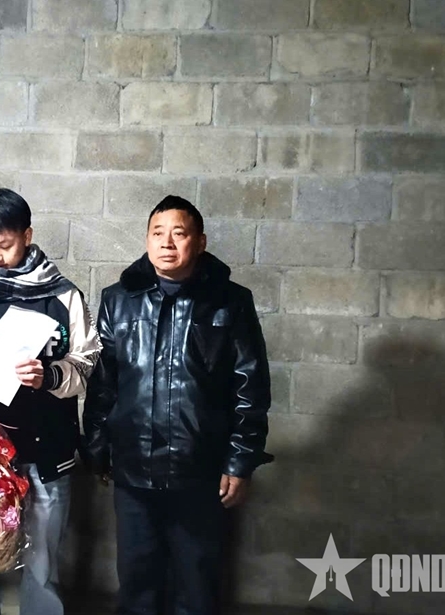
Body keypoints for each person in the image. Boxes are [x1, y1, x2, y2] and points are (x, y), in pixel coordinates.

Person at [83, 195, 273, 615]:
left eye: (179, 233)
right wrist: (96, 446)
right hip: (133, 469)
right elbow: (103, 382)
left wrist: (240, 461)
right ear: (147, 240)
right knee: (137, 581)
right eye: (157, 233)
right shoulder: (118, 299)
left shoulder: (230, 301)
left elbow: (250, 386)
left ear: (199, 242)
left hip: (200, 470)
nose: (166, 242)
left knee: (197, 584)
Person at [0, 188, 101, 615]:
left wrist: (48, 376)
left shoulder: (64, 297)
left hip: (47, 450)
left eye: (6, 245)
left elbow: (88, 364)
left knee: (42, 560)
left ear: (28, 235)